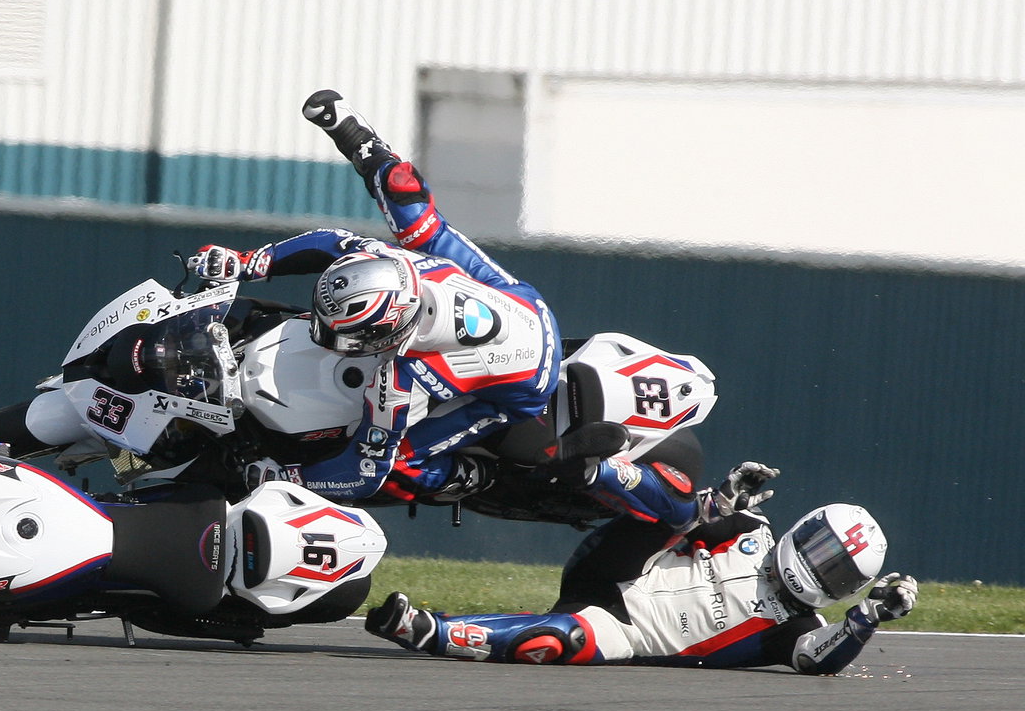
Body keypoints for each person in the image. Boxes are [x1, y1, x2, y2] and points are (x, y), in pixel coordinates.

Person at [187, 89, 693, 528]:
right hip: (510, 302)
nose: (330, 339)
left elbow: (366, 471)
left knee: (403, 466)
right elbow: (329, 241)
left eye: (347, 338)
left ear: (391, 340)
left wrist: (281, 476)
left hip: (513, 388)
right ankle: (355, 130)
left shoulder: (402, 378)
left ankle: (491, 472)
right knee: (408, 202)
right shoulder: (397, 265)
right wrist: (247, 262)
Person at [364, 462, 920, 674]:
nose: (819, 567)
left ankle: (427, 631)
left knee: (557, 642)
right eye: (820, 548)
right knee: (681, 499)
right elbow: (693, 524)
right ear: (804, 529)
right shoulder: (755, 533)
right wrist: (725, 499)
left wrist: (865, 618)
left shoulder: (799, 633)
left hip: (625, 633)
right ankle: (586, 468)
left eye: (837, 570)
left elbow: (819, 662)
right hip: (615, 571)